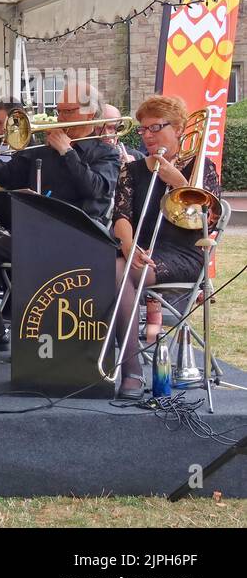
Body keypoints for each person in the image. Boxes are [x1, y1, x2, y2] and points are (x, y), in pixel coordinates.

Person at [108, 95, 220, 399]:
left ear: (180, 128)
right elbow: (121, 216)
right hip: (140, 248)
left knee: (120, 272)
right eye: (143, 130)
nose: (147, 136)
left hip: (183, 252)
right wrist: (130, 246)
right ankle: (120, 366)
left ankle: (130, 371)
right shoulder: (131, 170)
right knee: (114, 266)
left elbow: (204, 221)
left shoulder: (202, 167)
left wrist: (179, 181)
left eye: (155, 127)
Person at [0, 80, 119, 226]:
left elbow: (95, 190)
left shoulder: (107, 153)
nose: (60, 118)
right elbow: (11, 179)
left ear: (90, 113)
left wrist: (67, 152)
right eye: (59, 111)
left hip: (80, 233)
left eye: (68, 111)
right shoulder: (43, 150)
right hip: (37, 227)